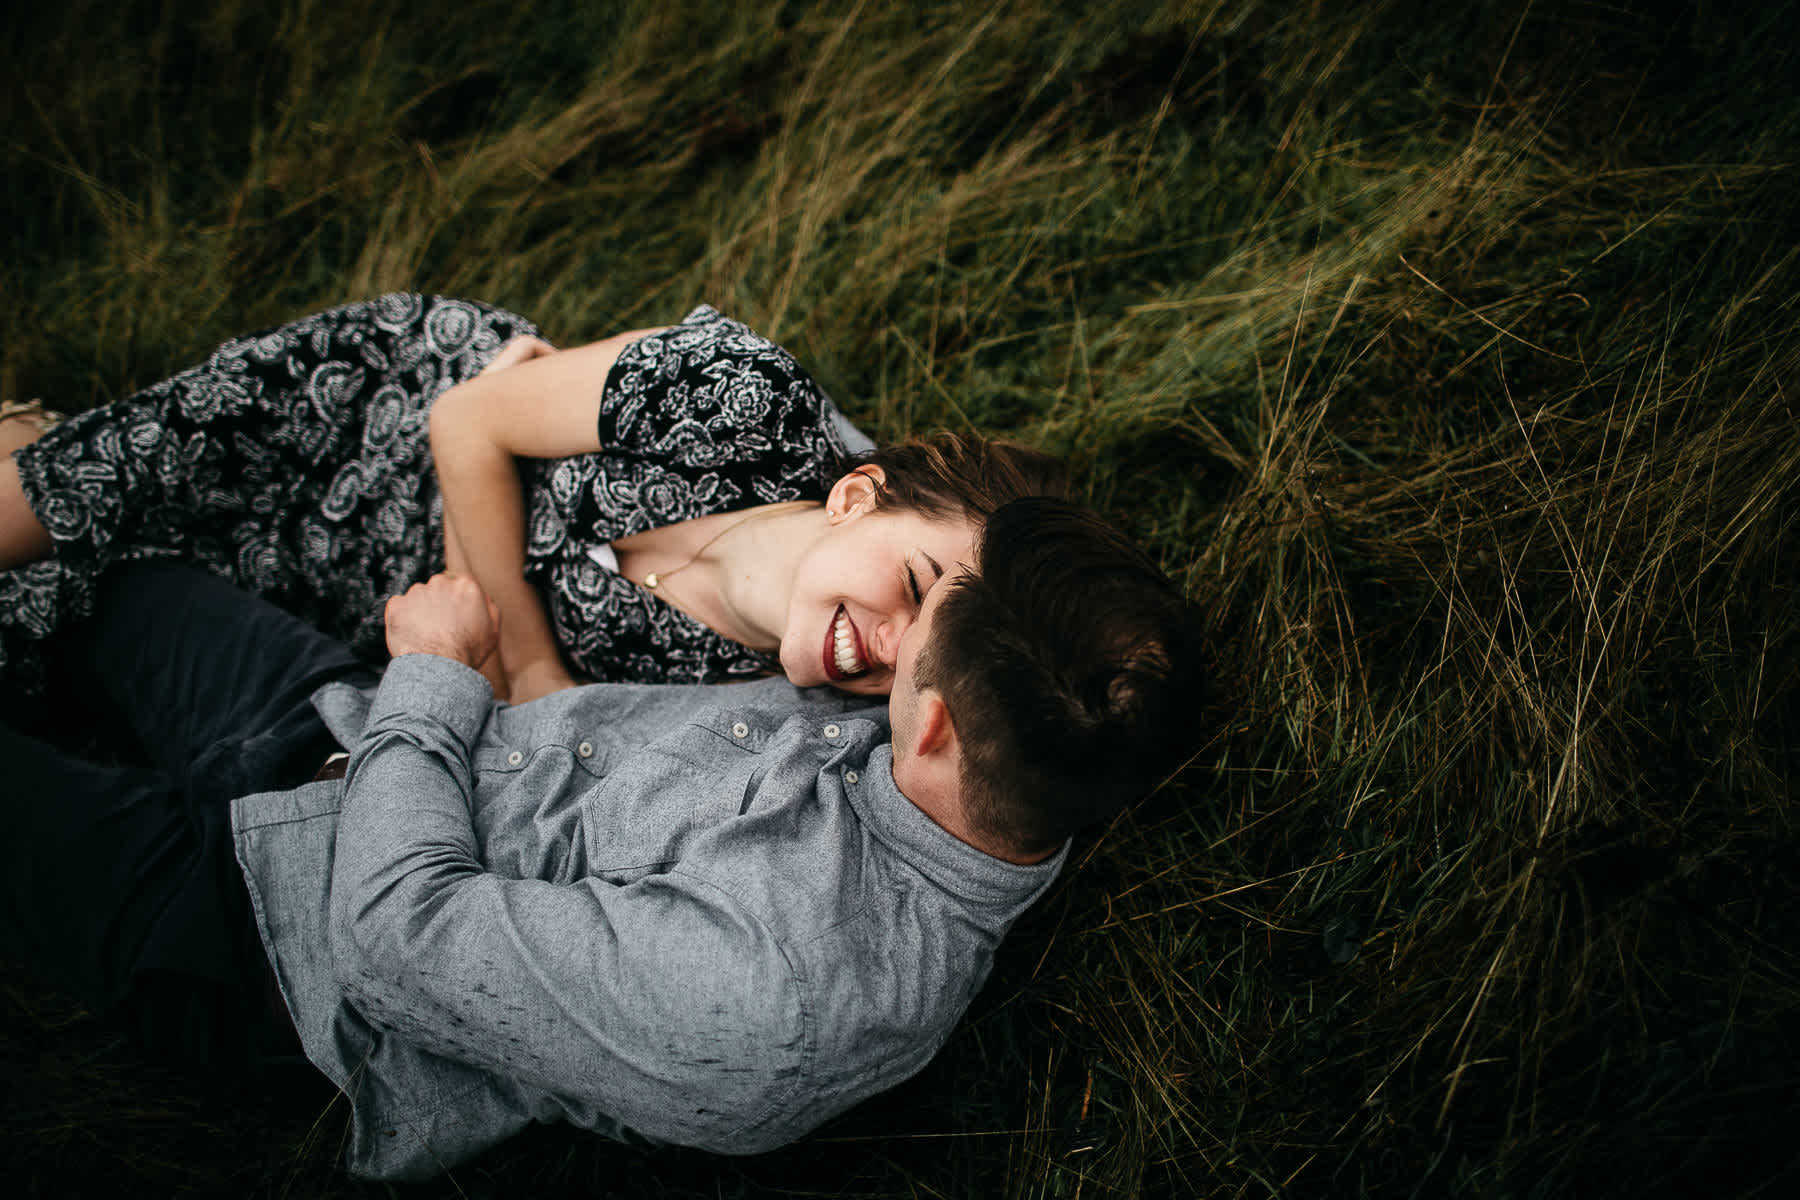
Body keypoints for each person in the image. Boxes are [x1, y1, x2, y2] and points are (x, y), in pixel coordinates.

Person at [0, 496, 1192, 1181]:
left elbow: (390, 938)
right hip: (345, 720)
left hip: (250, 930)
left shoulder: (774, 998)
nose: (889, 637)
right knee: (110, 565)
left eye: (924, 619)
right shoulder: (1006, 750)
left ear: (931, 727)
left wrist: (432, 675)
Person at [0, 296, 1067, 699]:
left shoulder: (761, 705)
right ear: (857, 495)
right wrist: (530, 665)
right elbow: (468, 421)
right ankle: (38, 448)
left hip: (382, 591)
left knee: (73, 618)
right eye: (913, 584)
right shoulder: (743, 400)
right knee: (89, 485)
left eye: (931, 651)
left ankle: (27, 427)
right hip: (380, 405)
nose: (893, 646)